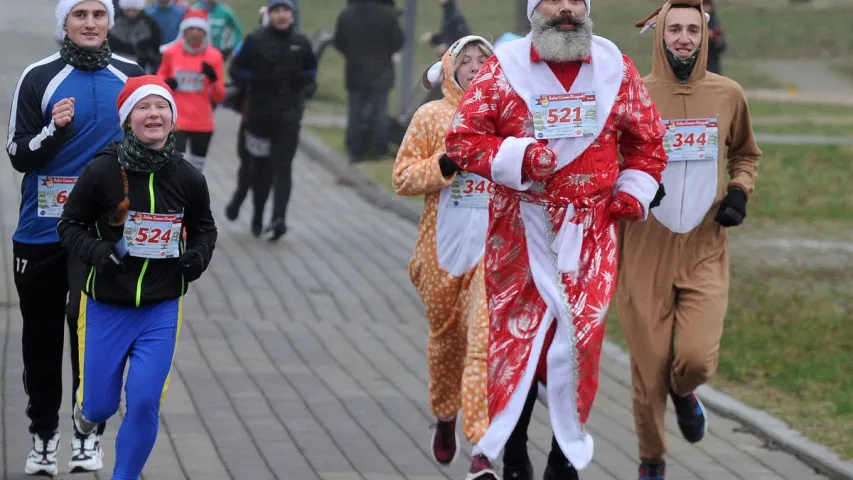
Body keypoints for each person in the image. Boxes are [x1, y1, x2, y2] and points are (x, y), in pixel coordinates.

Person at [444, 0, 669, 478]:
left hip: (591, 230)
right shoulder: (503, 71)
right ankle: (514, 449)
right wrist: (519, 156)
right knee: (519, 341)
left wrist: (634, 190)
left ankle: (565, 455)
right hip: (521, 229)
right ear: (533, 9)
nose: (564, 8)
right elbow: (463, 139)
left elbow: (647, 141)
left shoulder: (614, 67)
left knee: (581, 340)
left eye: (575, 0)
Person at [621, 2, 761, 478]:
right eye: (674, 29)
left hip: (705, 244)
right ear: (660, 35)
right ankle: (651, 460)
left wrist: (739, 192)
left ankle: (686, 391)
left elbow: (745, 153)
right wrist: (635, 182)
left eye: (692, 30)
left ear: (705, 37)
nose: (683, 37)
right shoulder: (633, 93)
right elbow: (606, 160)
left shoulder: (728, 94)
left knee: (695, 359)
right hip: (645, 247)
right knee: (648, 369)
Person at [7, 0, 144, 475]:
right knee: (41, 339)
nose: (90, 23)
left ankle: (87, 434)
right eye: (79, 14)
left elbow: (150, 144)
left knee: (91, 337)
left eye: (98, 14)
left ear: (110, 21)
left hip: (101, 236)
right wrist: (54, 131)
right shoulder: (39, 76)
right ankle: (44, 435)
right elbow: (18, 154)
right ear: (63, 23)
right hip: (41, 231)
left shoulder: (130, 73)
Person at [57, 75, 217, 480]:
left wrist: (196, 258)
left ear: (172, 118)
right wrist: (97, 252)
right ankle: (85, 413)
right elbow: (69, 225)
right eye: (143, 108)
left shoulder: (188, 178)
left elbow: (205, 229)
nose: (153, 115)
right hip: (106, 305)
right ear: (128, 119)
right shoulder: (103, 171)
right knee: (99, 405)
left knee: (144, 400)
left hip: (160, 308)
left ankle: (123, 476)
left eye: (161, 107)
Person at [392, 35, 494, 471]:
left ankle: (484, 448)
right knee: (446, 345)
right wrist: (444, 166)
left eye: (482, 60)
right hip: (440, 255)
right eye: (465, 60)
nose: (473, 67)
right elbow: (402, 177)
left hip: (491, 254)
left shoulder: (506, 115)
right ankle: (445, 416)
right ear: (450, 68)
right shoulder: (431, 116)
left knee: (482, 343)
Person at [226, 0, 316, 242]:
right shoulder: (255, 39)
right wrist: (255, 78)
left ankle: (279, 219)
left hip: (289, 116)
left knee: (283, 167)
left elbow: (312, 73)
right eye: (276, 11)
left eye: (286, 10)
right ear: (269, 15)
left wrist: (304, 81)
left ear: (292, 14)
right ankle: (255, 212)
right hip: (258, 116)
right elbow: (235, 70)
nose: (282, 15)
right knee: (256, 168)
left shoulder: (301, 42)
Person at [333, 0, 405, 162]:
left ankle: (355, 150)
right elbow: (398, 42)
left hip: (355, 70)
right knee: (379, 112)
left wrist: (352, 54)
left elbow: (338, 42)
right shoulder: (387, 14)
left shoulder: (347, 13)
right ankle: (380, 150)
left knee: (355, 112)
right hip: (381, 71)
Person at [157, 9, 226, 172]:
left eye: (200, 29)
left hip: (203, 122)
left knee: (196, 171)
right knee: (174, 167)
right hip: (177, 121)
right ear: (184, 31)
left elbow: (220, 95)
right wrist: (167, 83)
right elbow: (158, 83)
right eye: (191, 29)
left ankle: (194, 197)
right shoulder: (171, 53)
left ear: (205, 32)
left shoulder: (214, 56)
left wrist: (213, 79)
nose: (195, 33)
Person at [108, 0, 163, 73]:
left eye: (134, 10)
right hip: (113, 63)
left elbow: (155, 50)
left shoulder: (150, 25)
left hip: (141, 66)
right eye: (128, 10)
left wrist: (147, 55)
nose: (131, 13)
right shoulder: (112, 21)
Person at [703, 0, 726, 74]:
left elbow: (722, 45)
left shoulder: (714, 22)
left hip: (712, 64)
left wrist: (717, 41)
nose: (706, 8)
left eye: (707, 5)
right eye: (704, 5)